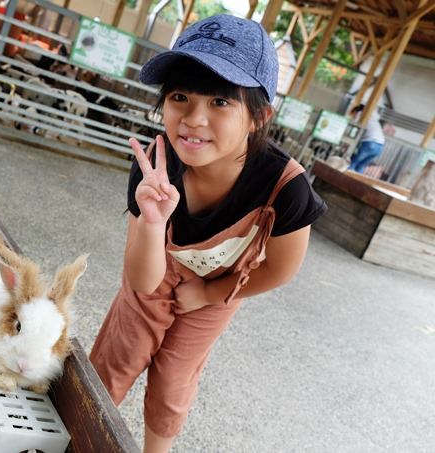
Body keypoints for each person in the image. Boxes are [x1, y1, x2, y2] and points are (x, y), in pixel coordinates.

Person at [89, 14, 327, 453]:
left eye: (220, 102)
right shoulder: (155, 169)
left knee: (175, 380)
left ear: (259, 116)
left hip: (221, 287)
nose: (193, 119)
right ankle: (76, 437)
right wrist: (154, 220)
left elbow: (280, 270)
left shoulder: (287, 188)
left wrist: (209, 294)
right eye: (180, 97)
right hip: (156, 270)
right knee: (116, 358)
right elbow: (142, 282)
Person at [348, 104, 385, 173]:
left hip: (370, 142)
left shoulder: (361, 113)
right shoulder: (374, 116)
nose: (353, 115)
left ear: (357, 111)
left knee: (353, 163)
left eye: (354, 113)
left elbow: (355, 124)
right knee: (361, 166)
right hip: (380, 145)